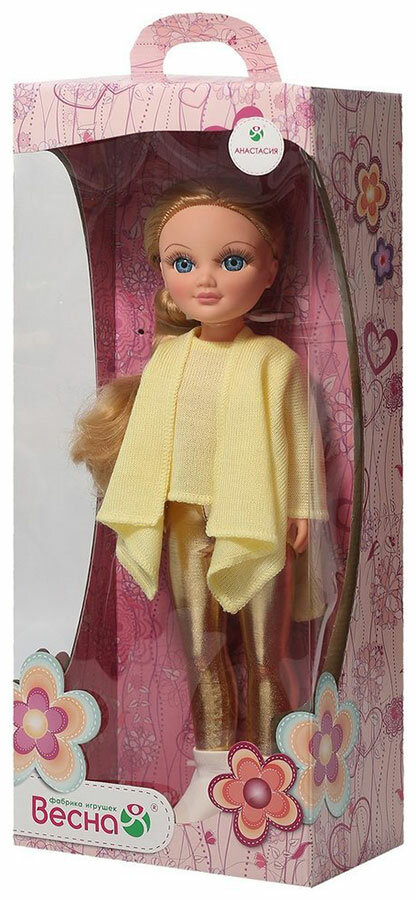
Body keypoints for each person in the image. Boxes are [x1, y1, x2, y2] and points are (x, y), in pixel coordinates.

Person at [71, 179, 328, 823]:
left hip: (257, 520)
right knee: (203, 652)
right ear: (162, 272)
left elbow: (297, 440)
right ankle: (212, 771)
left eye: (231, 260)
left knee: (267, 658)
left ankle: (272, 774)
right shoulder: (169, 360)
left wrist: (303, 510)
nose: (205, 279)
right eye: (182, 262)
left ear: (271, 268)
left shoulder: (273, 360)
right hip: (185, 521)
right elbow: (151, 442)